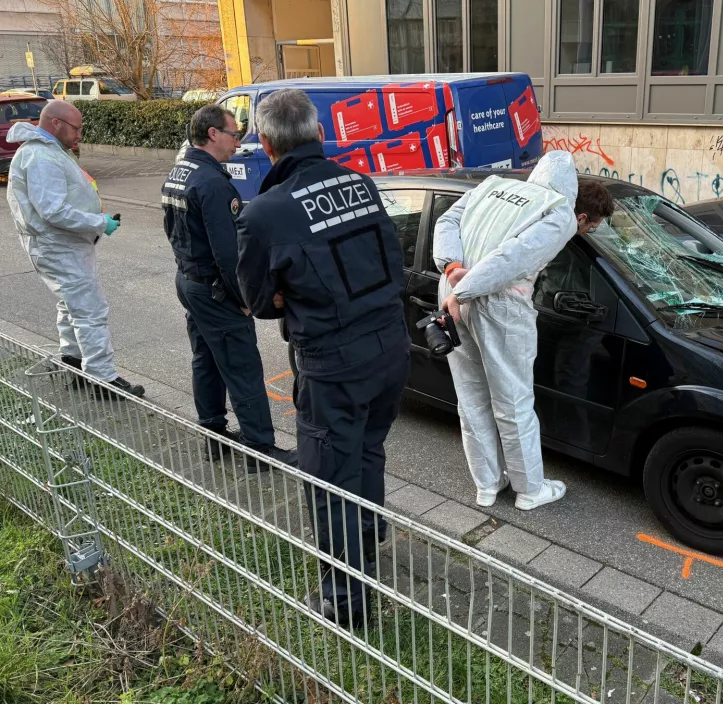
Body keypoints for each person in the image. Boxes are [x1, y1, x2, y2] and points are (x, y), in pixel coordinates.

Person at [235, 89, 409, 628]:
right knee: (368, 452)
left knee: (329, 478)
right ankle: (367, 539)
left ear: (265, 144)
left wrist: (290, 292)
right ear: (316, 132)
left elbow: (257, 299)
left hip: (334, 365)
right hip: (391, 348)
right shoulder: (357, 182)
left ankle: (347, 601)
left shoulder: (266, 212)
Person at [433, 161, 614, 510]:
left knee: (471, 397)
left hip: (452, 292)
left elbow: (447, 221)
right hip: (496, 303)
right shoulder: (559, 213)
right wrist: (464, 291)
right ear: (581, 218)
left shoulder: (494, 185)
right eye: (591, 227)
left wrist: (453, 268)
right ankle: (529, 490)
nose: (587, 233)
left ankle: (487, 485)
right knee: (513, 402)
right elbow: (514, 258)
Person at [162, 104, 296, 468]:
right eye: (235, 134)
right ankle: (260, 450)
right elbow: (228, 253)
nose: (239, 141)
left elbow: (173, 231)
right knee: (243, 368)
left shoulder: (180, 172)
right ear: (213, 134)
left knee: (206, 360)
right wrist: (246, 299)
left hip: (189, 282)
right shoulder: (211, 182)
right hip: (215, 288)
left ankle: (214, 436)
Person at [5, 100, 144, 397]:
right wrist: (98, 222)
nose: (80, 134)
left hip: (60, 246)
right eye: (76, 128)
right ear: (55, 123)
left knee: (71, 305)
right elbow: (53, 210)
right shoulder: (42, 157)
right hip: (59, 247)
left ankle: (74, 362)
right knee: (90, 311)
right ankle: (102, 380)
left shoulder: (47, 152)